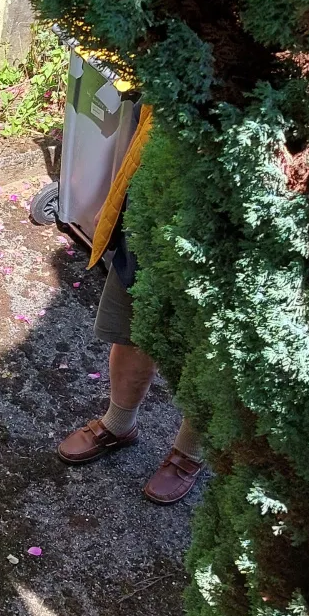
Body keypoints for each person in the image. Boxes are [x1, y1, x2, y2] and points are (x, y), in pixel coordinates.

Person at [53, 104, 205, 505]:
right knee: (131, 327)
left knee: (208, 354)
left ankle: (189, 452)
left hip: (220, 224)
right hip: (153, 201)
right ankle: (119, 424)